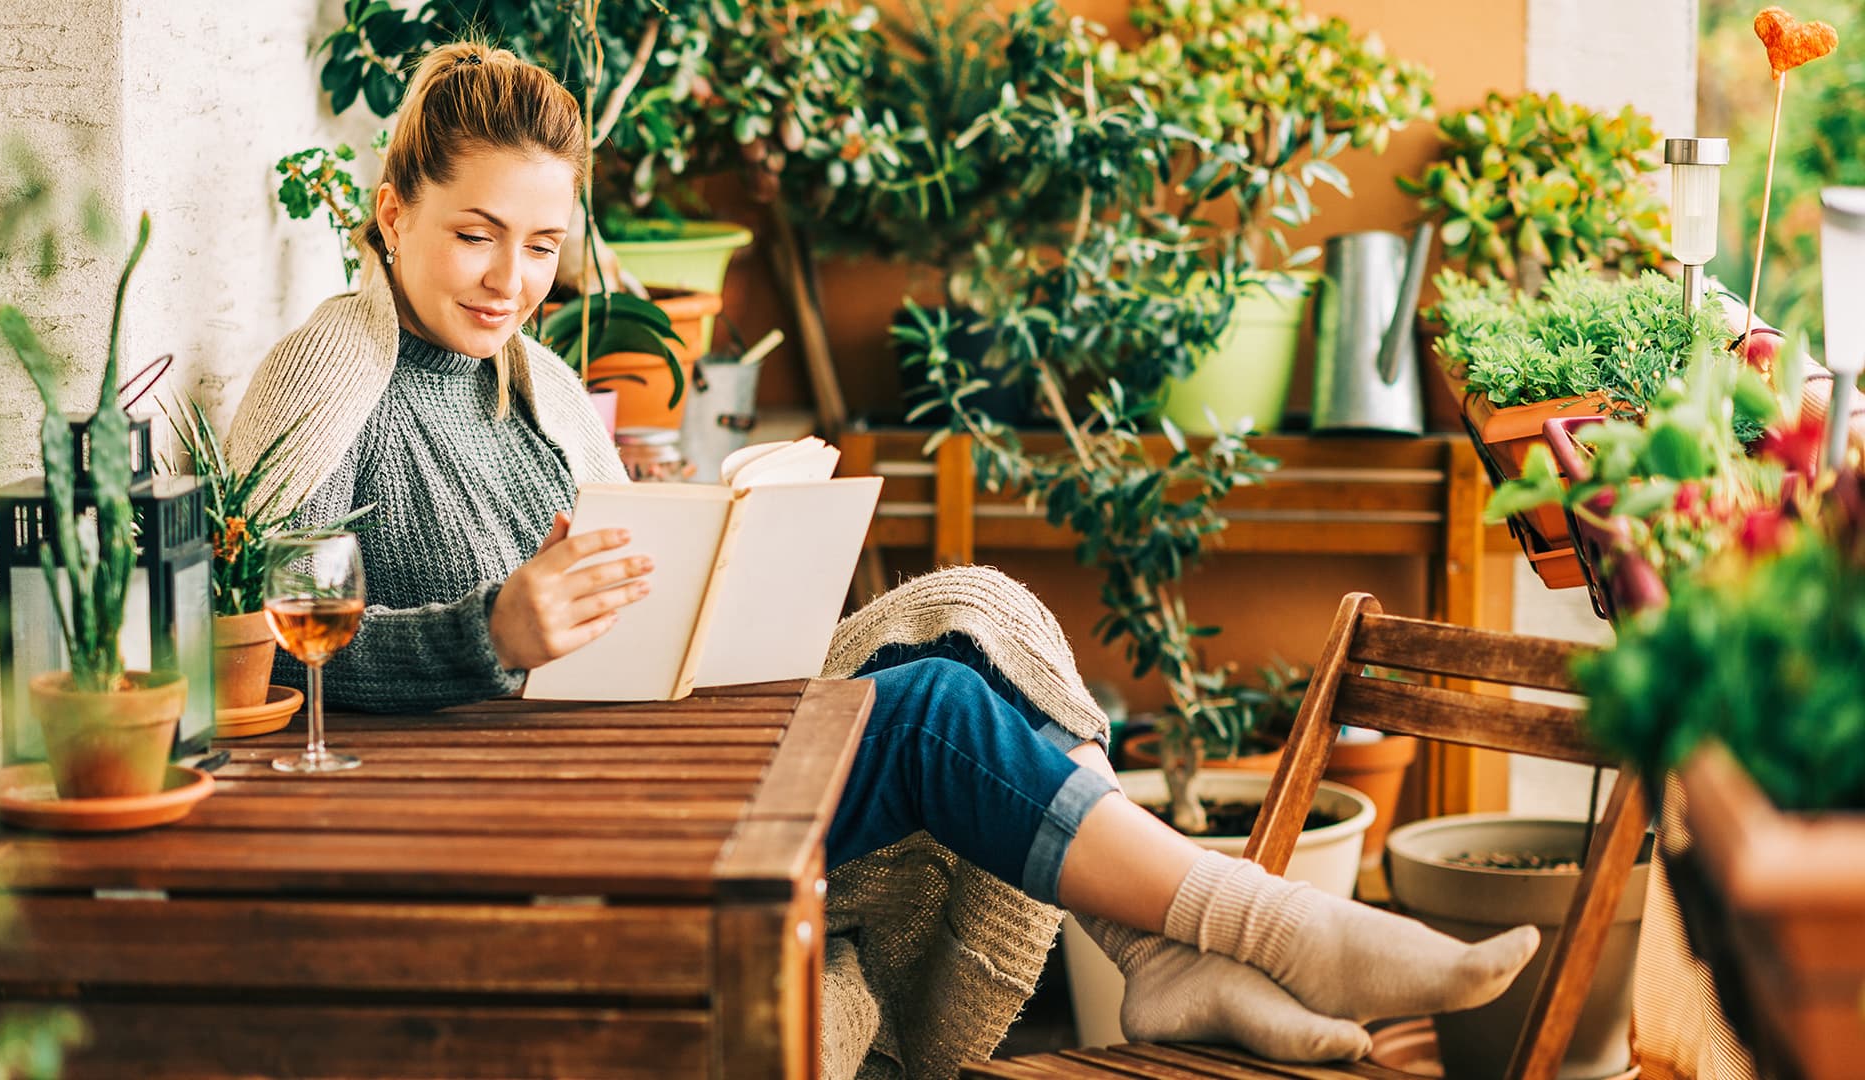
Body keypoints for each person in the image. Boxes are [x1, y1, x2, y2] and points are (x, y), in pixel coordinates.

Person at [227, 41, 1539, 1075]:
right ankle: (1263, 926)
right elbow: (255, 656)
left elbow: (616, 602)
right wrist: (487, 635)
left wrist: (709, 545)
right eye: (474, 234)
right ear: (390, 212)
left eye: (541, 246)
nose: (510, 279)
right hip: (535, 806)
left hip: (632, 752)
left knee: (969, 622)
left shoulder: (543, 387)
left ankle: (1163, 954)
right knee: (928, 714)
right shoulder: (330, 372)